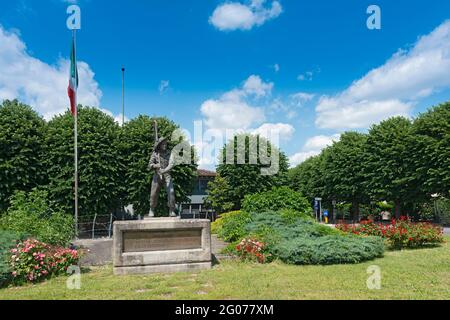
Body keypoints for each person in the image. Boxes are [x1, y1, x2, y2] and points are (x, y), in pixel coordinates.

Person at [148, 137, 177, 218]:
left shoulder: (170, 153)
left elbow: (171, 164)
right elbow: (149, 165)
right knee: (153, 194)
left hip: (167, 176)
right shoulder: (155, 154)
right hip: (157, 176)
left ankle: (172, 210)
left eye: (165, 144)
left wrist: (164, 170)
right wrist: (156, 165)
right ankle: (152, 209)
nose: (165, 145)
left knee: (171, 192)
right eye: (163, 144)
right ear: (159, 145)